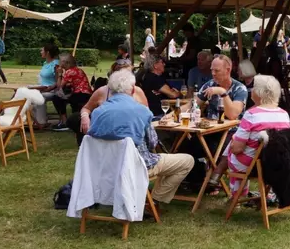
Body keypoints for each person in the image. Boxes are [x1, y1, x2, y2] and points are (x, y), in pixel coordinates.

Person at [88, 70, 194, 205]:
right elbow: (152, 143)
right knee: (187, 161)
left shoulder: (97, 112)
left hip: (105, 168)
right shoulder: (141, 111)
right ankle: (154, 200)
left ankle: (142, 198)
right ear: (133, 89)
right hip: (135, 166)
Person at [209, 75, 290, 197]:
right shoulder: (284, 114)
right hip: (277, 164)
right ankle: (268, 194)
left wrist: (234, 141)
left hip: (252, 165)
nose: (251, 90)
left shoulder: (251, 115)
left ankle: (237, 196)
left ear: (259, 93)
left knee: (234, 144)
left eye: (253, 88)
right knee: (240, 142)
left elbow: (237, 149)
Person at [70, 59, 149, 145]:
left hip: (131, 137)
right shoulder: (102, 91)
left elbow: (146, 114)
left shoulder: (137, 91)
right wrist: (85, 117)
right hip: (106, 138)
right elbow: (86, 108)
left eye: (130, 74)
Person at [197, 55, 248, 121]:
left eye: (217, 70)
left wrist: (222, 92)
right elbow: (193, 105)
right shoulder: (210, 84)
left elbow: (232, 115)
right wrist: (179, 111)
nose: (213, 73)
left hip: (231, 130)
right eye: (212, 70)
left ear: (228, 70)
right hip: (210, 129)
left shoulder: (240, 88)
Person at [52, 53, 92, 131]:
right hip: (86, 94)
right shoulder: (78, 70)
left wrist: (59, 74)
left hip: (79, 95)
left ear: (66, 63)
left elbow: (59, 86)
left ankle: (64, 122)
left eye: (60, 61)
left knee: (56, 98)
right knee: (62, 97)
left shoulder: (69, 72)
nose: (58, 63)